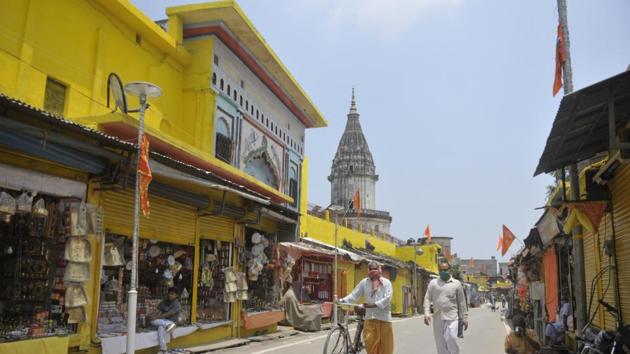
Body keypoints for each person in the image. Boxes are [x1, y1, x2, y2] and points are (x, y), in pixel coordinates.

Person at [340, 261, 393, 354]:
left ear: (379, 270)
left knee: (386, 349)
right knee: (370, 346)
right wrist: (343, 301)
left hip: (384, 320)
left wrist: (373, 305)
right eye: (371, 269)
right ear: (368, 270)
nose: (373, 271)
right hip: (369, 319)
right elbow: (354, 295)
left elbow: (387, 298)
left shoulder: (386, 283)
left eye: (375, 269)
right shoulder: (364, 282)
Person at [424, 262, 468, 354]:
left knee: (452, 337)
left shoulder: (456, 283)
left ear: (449, 270)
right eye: (441, 270)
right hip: (438, 317)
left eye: (445, 270)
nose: (443, 272)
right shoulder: (433, 283)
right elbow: (427, 298)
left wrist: (465, 317)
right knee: (440, 344)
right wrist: (426, 313)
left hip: (452, 317)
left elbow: (461, 301)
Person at [147, 287, 181, 354]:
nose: (170, 295)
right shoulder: (164, 302)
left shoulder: (177, 304)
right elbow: (157, 311)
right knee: (159, 326)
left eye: (172, 294)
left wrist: (155, 317)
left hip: (172, 321)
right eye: (169, 293)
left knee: (158, 324)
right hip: (164, 322)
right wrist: (151, 316)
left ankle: (163, 349)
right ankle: (164, 350)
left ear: (176, 295)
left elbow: (167, 314)